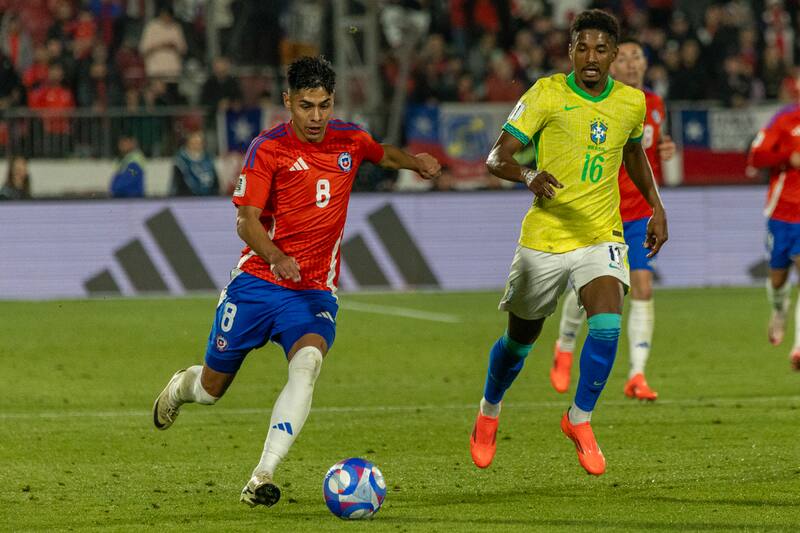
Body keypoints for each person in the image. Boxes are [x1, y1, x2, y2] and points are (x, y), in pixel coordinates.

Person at [152, 56, 441, 507]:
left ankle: (262, 474)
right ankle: (180, 387)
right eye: (306, 106)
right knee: (211, 391)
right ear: (288, 101)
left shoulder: (349, 138)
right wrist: (276, 256)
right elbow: (246, 222)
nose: (316, 117)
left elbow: (382, 153)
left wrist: (416, 163)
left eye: (324, 105)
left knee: (308, 365)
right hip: (257, 283)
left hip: (311, 291)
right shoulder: (267, 149)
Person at [469, 10, 668, 477]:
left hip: (601, 234)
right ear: (571, 50)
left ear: (614, 55)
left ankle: (578, 418)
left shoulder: (631, 103)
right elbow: (497, 157)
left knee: (606, 326)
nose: (591, 58)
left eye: (601, 49)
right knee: (520, 341)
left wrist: (656, 206)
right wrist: (528, 174)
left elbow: (634, 153)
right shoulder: (546, 94)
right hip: (546, 237)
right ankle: (489, 410)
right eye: (582, 47)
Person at [551, 38, 676, 401]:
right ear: (611, 63)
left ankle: (636, 374)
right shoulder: (599, 102)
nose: (634, 64)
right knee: (592, 288)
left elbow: (646, 150)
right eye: (627, 58)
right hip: (601, 208)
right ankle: (564, 346)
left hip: (637, 212)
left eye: (640, 57)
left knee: (643, 288)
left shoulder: (652, 103)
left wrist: (665, 149)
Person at [747, 99, 800, 371]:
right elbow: (756, 156)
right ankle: (780, 309)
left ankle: (799, 347)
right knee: (778, 279)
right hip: (781, 213)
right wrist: (788, 157)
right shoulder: (784, 119)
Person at [170, 130, 219, 196]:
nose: (197, 145)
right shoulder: (181, 161)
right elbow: (177, 185)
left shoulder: (208, 159)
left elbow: (215, 182)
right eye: (194, 142)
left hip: (208, 198)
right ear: (188, 143)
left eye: (199, 143)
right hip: (187, 199)